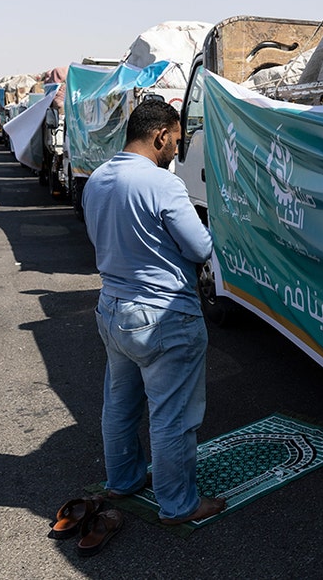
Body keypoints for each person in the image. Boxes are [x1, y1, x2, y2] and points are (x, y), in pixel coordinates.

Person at [82, 100, 225, 525]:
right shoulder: (162, 184)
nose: (176, 151)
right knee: (173, 416)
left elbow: (99, 238)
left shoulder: (98, 179)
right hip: (164, 316)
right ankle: (179, 504)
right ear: (161, 135)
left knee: (120, 404)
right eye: (177, 142)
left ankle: (123, 480)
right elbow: (199, 248)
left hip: (113, 308)